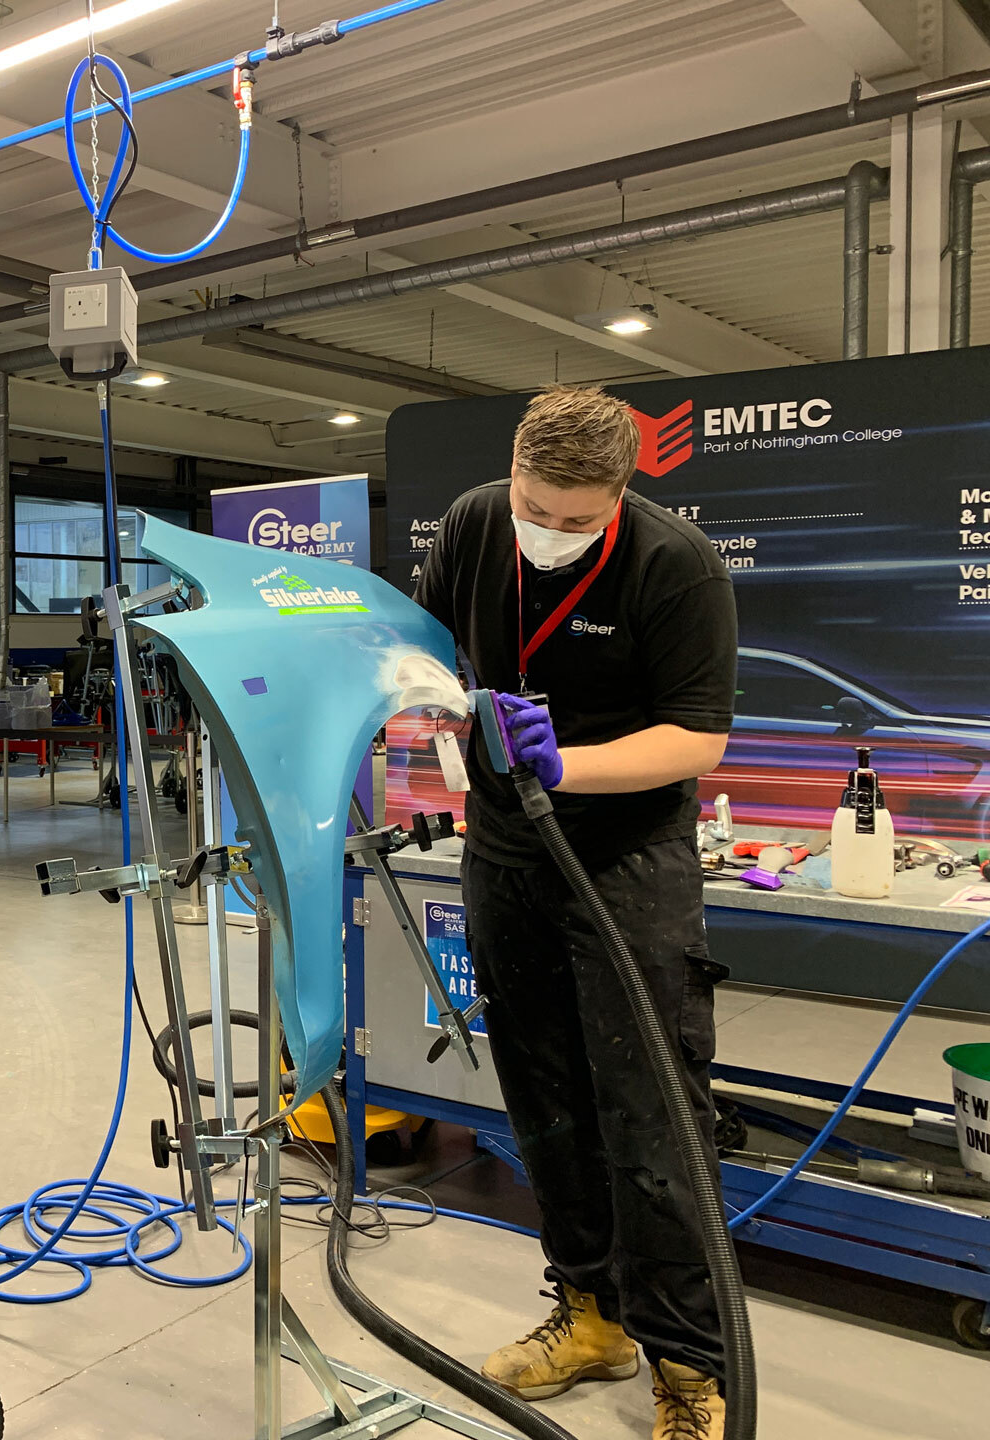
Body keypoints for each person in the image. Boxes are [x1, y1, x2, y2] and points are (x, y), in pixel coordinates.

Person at [414, 385, 737, 1440]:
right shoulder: (472, 524)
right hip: (506, 848)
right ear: (510, 473)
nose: (546, 531)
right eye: (532, 506)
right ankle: (591, 1315)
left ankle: (690, 1368)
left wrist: (570, 763)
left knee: (650, 1108)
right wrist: (435, 726)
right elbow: (429, 648)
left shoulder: (674, 564)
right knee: (541, 1090)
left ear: (620, 495)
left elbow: (697, 742)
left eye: (573, 519)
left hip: (627, 852)